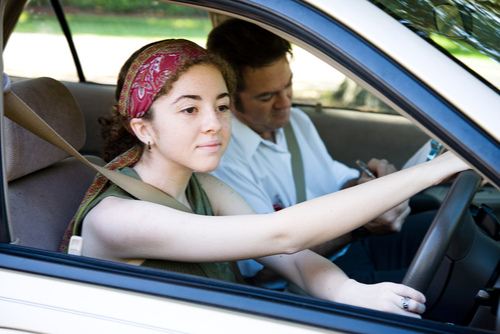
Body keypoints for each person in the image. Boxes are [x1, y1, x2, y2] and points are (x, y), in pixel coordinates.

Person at [59, 38, 470, 318]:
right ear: (143, 129)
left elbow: (290, 257)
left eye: (221, 107)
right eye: (190, 110)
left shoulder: (202, 186)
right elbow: (281, 235)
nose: (214, 126)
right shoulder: (117, 218)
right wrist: (436, 168)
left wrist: (353, 293)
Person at [206, 19, 436, 287]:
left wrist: (369, 181)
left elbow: (338, 182)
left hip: (352, 250)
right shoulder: (224, 159)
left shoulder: (297, 123)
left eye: (288, 86)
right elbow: (264, 270)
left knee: (448, 232)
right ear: (229, 98)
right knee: (445, 283)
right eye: (266, 97)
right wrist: (360, 226)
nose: (285, 103)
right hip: (305, 283)